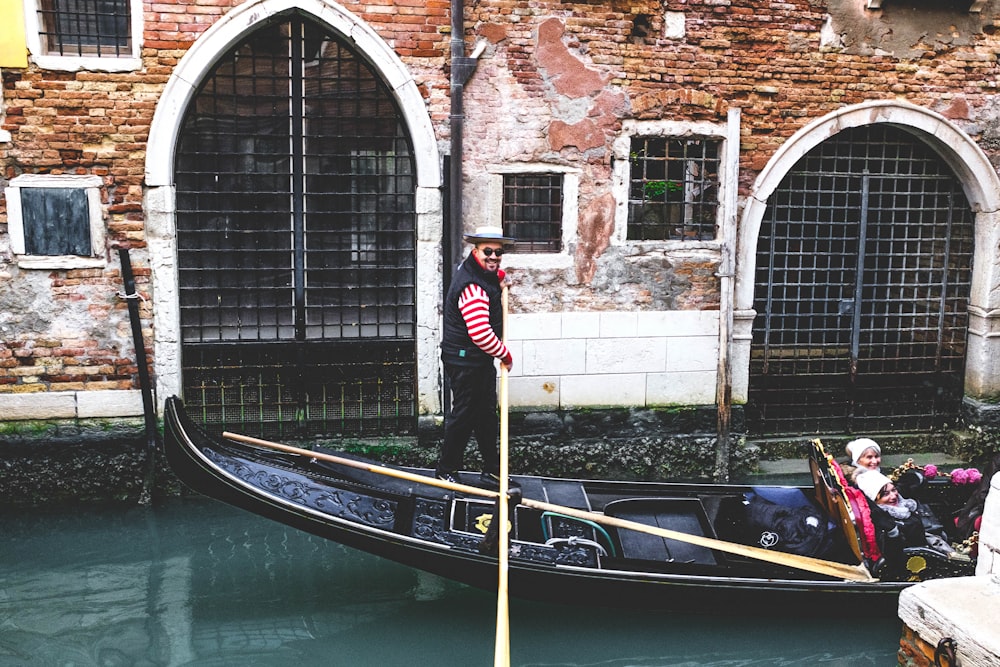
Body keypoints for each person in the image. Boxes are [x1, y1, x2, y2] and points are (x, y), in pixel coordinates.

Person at [436, 226, 518, 490]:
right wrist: (505, 355)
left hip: (476, 360)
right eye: (488, 252)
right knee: (464, 415)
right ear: (476, 251)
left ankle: (491, 471)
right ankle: (445, 470)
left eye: (499, 253)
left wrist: (500, 277)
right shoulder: (473, 288)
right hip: (465, 360)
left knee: (486, 417)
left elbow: (491, 276)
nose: (494, 257)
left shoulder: (477, 271)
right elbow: (481, 334)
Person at [855, 470, 957, 557]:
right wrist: (892, 532)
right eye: (885, 494)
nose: (893, 496)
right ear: (875, 500)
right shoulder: (881, 521)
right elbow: (893, 554)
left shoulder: (904, 505)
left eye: (893, 490)